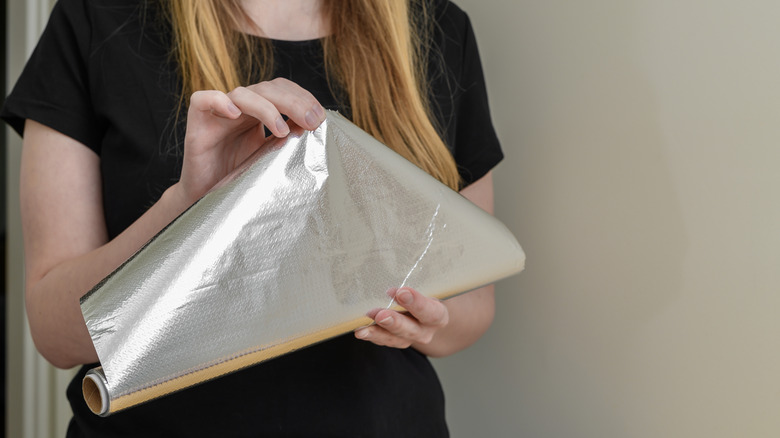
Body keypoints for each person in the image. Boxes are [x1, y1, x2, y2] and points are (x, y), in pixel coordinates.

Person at [2, 0, 503, 436]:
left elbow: (476, 302)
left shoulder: (437, 30)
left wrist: (427, 323)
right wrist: (188, 206)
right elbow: (54, 330)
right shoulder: (97, 18)